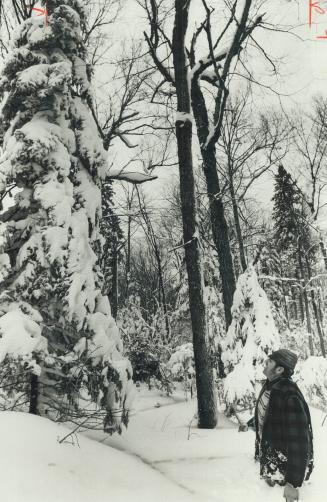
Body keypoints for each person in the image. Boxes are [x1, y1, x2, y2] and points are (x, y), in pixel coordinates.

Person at [244, 349, 314, 502]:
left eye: (269, 362)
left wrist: (292, 483)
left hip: (284, 476)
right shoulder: (272, 386)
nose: (265, 363)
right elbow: (270, 413)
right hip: (273, 469)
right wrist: (251, 424)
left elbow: (300, 440)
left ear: (280, 369)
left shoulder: (289, 394)